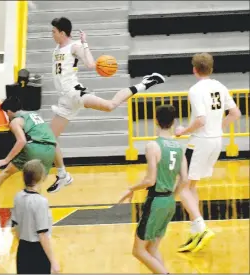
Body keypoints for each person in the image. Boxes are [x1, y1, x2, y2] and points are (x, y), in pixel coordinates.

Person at [46, 17, 166, 193]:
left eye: (54, 31)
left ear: (62, 33)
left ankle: (146, 83)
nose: (51, 34)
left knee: (110, 106)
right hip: (65, 100)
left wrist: (85, 44)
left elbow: (90, 64)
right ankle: (63, 175)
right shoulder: (57, 48)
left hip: (75, 94)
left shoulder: (75, 46)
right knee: (50, 139)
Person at [175, 52, 241, 252]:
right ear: (211, 68)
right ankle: (196, 231)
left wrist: (182, 131)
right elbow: (235, 113)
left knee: (181, 187)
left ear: (194, 69)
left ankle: (201, 227)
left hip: (200, 142)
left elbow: (201, 120)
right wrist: (219, 127)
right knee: (192, 185)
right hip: (216, 141)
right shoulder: (220, 86)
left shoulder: (195, 90)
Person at [118, 105, 188, 274]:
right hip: (169, 201)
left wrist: (131, 188)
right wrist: (171, 196)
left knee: (139, 251)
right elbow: (184, 179)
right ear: (173, 123)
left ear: (155, 121)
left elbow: (150, 180)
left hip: (156, 201)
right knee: (152, 248)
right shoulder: (179, 147)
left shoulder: (153, 146)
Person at [0, 97, 57, 211]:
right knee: (36, 180)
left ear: (9, 111)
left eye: (6, 113)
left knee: (5, 173)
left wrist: (6, 160)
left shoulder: (15, 121)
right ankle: (37, 210)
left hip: (34, 148)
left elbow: (21, 141)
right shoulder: (34, 115)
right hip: (50, 150)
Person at [12, 159, 60, 274]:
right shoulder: (41, 202)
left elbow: (15, 227)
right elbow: (42, 234)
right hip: (38, 251)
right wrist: (53, 261)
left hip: (22, 250)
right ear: (41, 177)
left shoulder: (17, 197)